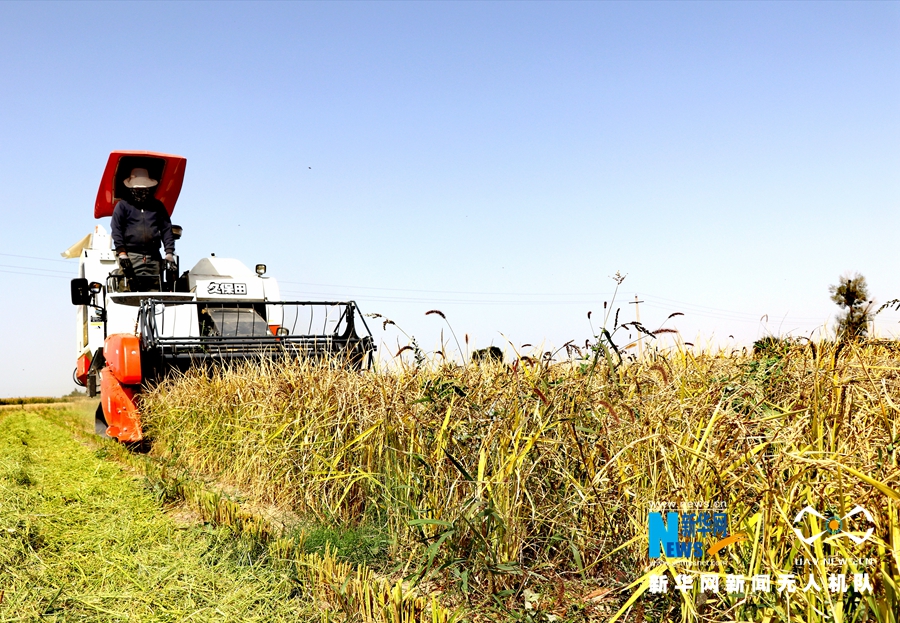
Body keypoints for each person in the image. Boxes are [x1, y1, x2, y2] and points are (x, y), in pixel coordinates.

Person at [110, 168, 176, 290]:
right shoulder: (122, 206)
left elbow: (167, 229)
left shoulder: (158, 206)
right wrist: (122, 253)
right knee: (128, 290)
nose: (140, 191)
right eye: (138, 189)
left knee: (156, 291)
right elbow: (116, 229)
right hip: (131, 256)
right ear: (131, 189)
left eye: (143, 188)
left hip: (154, 256)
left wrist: (169, 253)